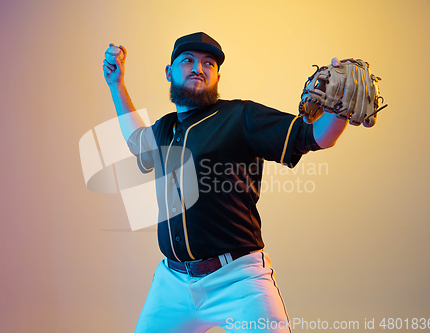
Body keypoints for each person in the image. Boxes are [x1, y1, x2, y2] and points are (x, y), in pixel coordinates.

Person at [102, 32, 347, 332]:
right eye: (188, 60)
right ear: (169, 72)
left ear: (218, 75)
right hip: (173, 282)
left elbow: (313, 136)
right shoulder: (165, 128)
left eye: (208, 63)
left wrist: (340, 110)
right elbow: (135, 141)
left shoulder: (240, 117)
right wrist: (117, 85)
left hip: (238, 280)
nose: (198, 68)